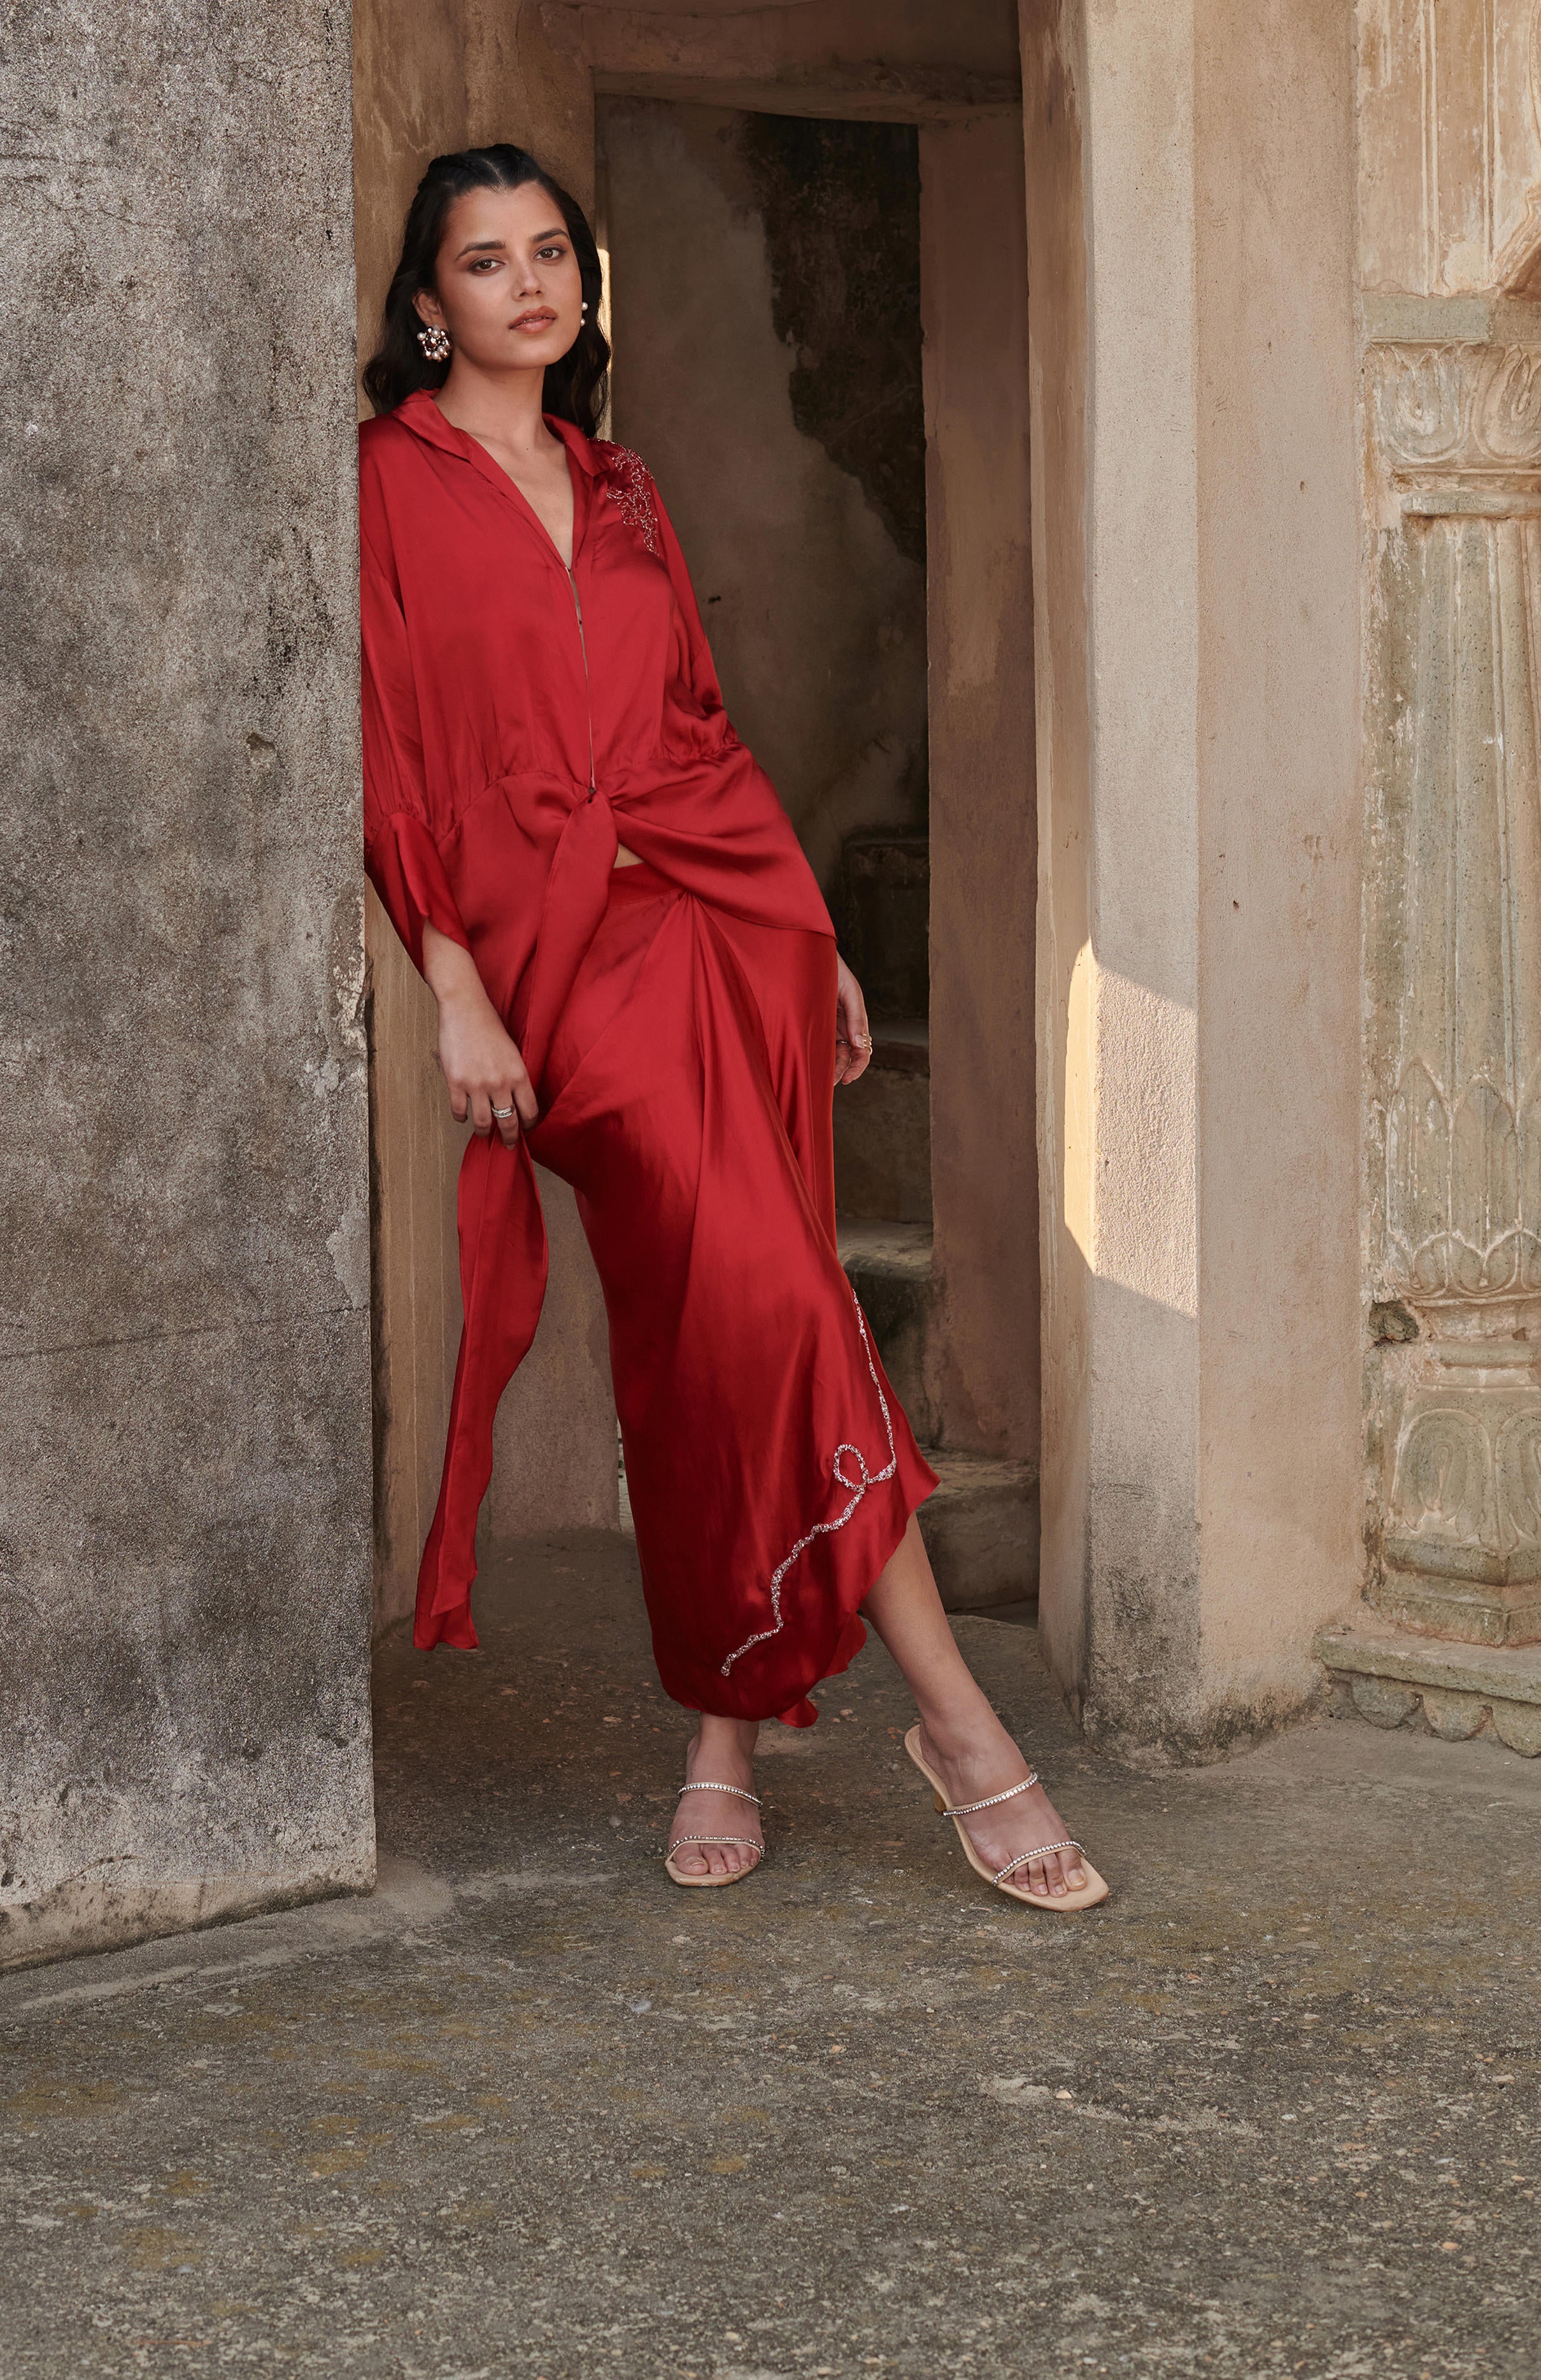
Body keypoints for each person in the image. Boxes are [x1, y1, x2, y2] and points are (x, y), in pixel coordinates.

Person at [359, 143, 1106, 1910]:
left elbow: (695, 723)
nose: (529, 283)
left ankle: (726, 1731)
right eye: (487, 260)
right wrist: (453, 989)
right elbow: (390, 758)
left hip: (723, 929)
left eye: (551, 251)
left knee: (726, 1337)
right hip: (558, 972)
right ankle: (958, 1722)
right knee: (771, 1302)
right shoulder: (388, 479)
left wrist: (807, 925)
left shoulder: (620, 486)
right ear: (429, 303)